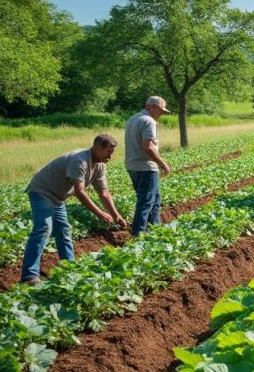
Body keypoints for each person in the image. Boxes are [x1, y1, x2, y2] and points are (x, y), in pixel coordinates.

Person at [20, 135, 127, 284]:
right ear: (98, 148)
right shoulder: (80, 161)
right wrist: (100, 213)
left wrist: (116, 215)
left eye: (112, 152)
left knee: (64, 230)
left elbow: (103, 192)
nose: (111, 156)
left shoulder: (100, 165)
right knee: (43, 228)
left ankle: (69, 268)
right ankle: (29, 276)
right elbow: (79, 192)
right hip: (42, 191)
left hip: (58, 197)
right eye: (108, 151)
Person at [125, 95, 172, 236]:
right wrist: (162, 163)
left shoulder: (133, 118)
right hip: (146, 167)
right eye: (161, 110)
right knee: (146, 201)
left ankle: (154, 230)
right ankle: (138, 234)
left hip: (132, 165)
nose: (162, 113)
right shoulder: (149, 121)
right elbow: (148, 147)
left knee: (155, 199)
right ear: (152, 107)